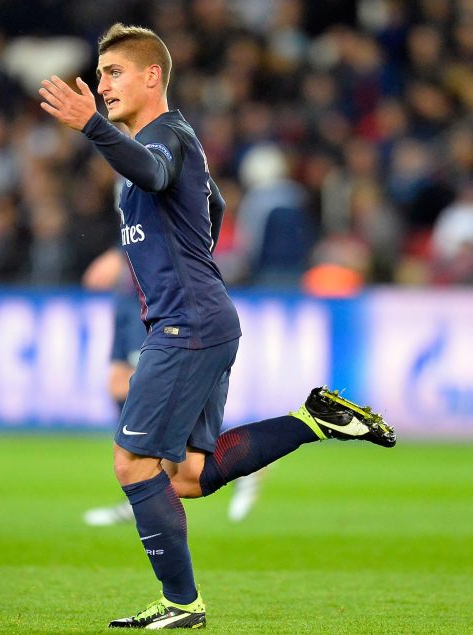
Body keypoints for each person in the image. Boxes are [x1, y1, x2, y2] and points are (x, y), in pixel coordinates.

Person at [40, 23, 396, 629]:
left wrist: (91, 128)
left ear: (153, 76)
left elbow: (157, 177)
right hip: (200, 318)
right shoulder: (172, 143)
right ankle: (312, 420)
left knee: (132, 464)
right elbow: (211, 206)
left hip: (185, 325)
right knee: (188, 476)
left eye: (113, 73)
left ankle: (183, 605)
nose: (102, 87)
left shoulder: (165, 137)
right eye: (99, 77)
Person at [81, 248, 263, 527]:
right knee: (119, 384)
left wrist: (119, 254)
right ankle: (145, 483)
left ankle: (150, 486)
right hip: (130, 288)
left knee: (148, 387)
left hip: (155, 289)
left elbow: (167, 220)